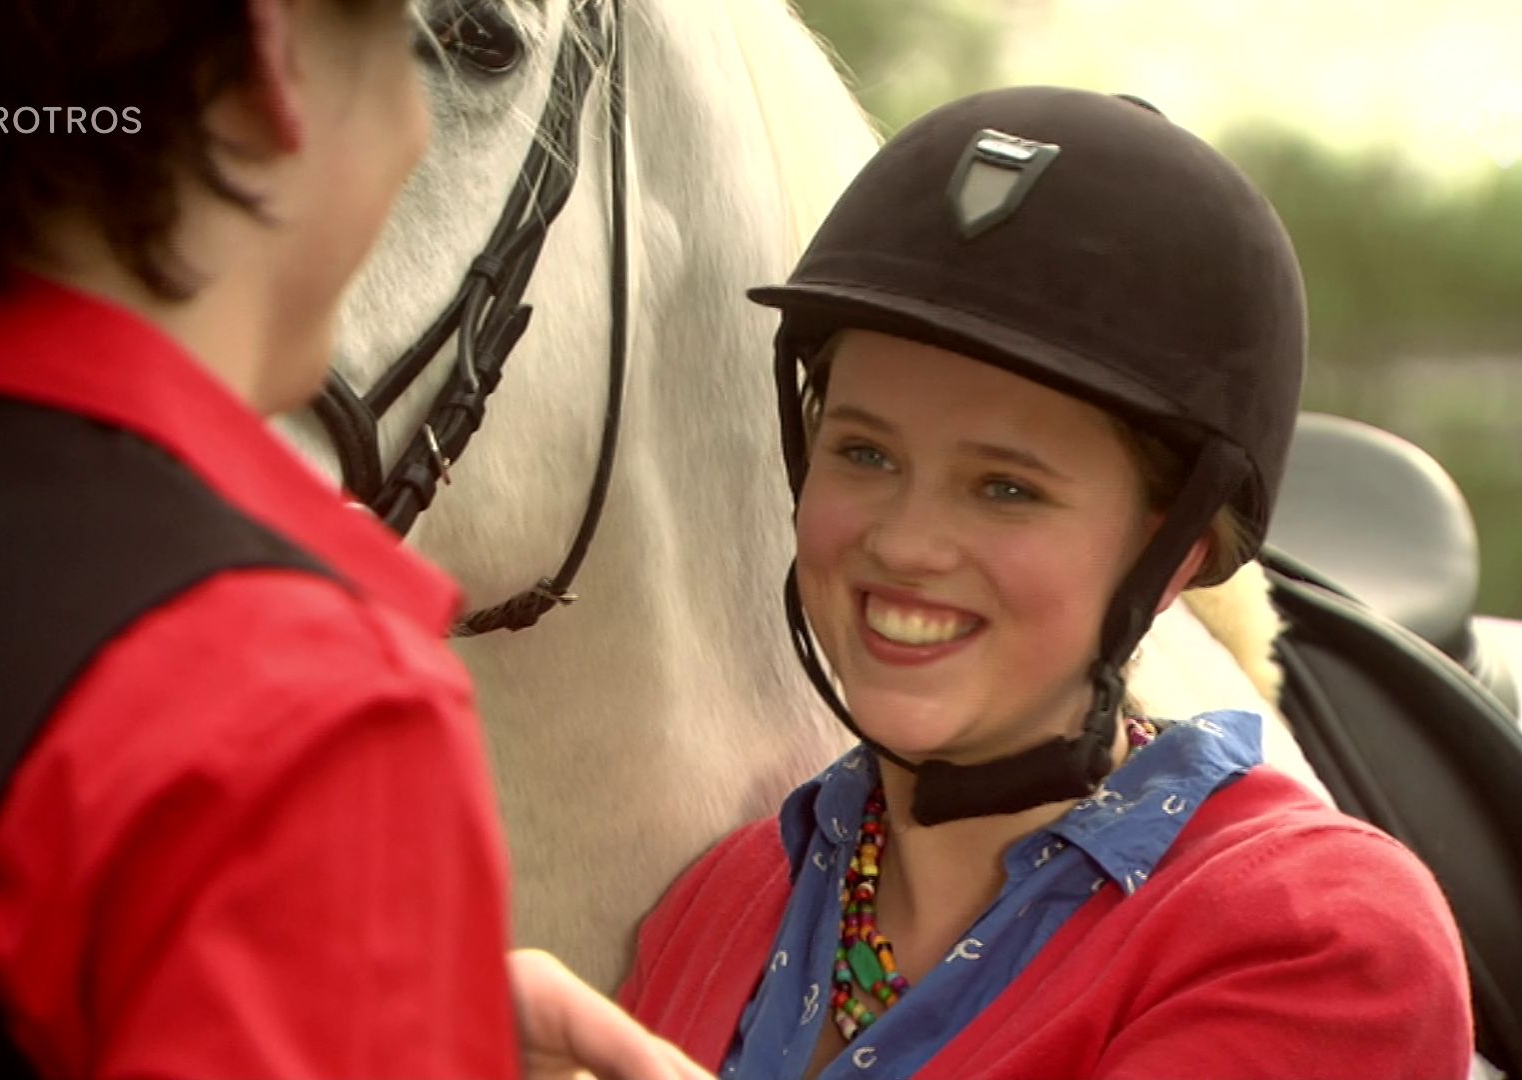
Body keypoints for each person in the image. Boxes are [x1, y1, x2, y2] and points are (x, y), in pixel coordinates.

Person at [0, 2, 707, 1078]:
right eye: (414, 50)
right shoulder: (295, 710)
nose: (414, 126)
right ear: (275, 60)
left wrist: (342, 991)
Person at [617, 87, 1474, 1078]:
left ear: (1174, 558)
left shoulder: (1319, 940)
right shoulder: (720, 900)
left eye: (1006, 488)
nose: (905, 542)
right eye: (865, 453)